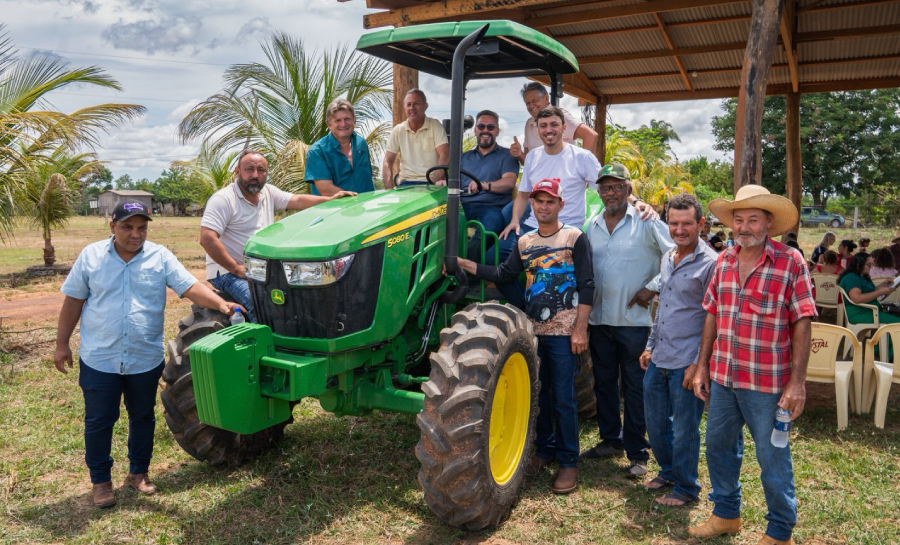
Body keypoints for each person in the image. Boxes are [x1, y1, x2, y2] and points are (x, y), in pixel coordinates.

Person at [54, 201, 240, 508]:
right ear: (112, 226)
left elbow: (190, 285)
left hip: (144, 358)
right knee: (100, 421)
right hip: (100, 358)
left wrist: (222, 305)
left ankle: (138, 474)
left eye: (141, 228)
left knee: (142, 417)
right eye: (127, 227)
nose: (135, 234)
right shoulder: (91, 257)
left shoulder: (160, 256)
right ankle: (101, 482)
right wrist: (62, 344)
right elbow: (73, 301)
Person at [691, 184, 817, 545]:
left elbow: (803, 321)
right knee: (717, 447)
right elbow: (712, 314)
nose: (744, 227)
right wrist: (702, 367)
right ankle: (726, 514)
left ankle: (779, 532)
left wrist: (797, 383)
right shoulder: (725, 260)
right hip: (724, 376)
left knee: (772, 458)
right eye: (738, 220)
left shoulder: (790, 261)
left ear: (768, 223)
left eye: (753, 220)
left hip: (768, 384)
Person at [454, 179, 594, 494]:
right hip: (533, 331)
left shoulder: (575, 237)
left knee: (564, 399)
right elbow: (504, 275)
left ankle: (568, 462)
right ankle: (543, 451)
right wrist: (468, 265)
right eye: (538, 201)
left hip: (563, 334)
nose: (543, 206)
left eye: (550, 201)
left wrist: (580, 329)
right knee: (540, 396)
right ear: (532, 204)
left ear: (561, 204)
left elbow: (587, 285)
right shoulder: (525, 241)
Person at [580, 164, 674, 479]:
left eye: (617, 186)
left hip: (634, 323)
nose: (611, 192)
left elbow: (675, 255)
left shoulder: (646, 221)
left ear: (628, 189)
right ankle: (610, 441)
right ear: (599, 192)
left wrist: (653, 287)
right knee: (604, 384)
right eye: (605, 187)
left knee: (634, 387)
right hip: (599, 320)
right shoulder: (590, 225)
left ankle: (637, 452)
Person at [200, 150, 354, 322]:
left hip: (261, 269)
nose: (255, 175)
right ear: (237, 172)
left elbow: (297, 200)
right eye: (249, 169)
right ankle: (261, 345)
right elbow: (207, 238)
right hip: (228, 272)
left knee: (299, 298)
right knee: (261, 306)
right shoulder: (224, 199)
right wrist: (237, 269)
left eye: (261, 170)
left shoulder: (268, 193)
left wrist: (331, 200)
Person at [639, 193, 717, 506]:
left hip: (688, 361)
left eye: (687, 223)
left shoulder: (711, 264)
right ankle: (668, 471)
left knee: (685, 429)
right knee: (656, 422)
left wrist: (701, 365)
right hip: (660, 356)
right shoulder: (668, 257)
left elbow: (716, 320)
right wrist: (649, 345)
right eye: (673, 223)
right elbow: (663, 306)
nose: (679, 229)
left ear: (701, 224)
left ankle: (686, 488)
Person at [459, 109, 519, 257]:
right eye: (481, 127)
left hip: (490, 207)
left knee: (491, 224)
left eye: (490, 127)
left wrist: (483, 185)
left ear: (497, 131)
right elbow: (453, 183)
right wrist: (442, 183)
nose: (485, 130)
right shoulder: (463, 157)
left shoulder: (507, 156)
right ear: (475, 130)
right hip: (462, 205)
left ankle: (466, 269)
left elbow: (509, 182)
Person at [508, 82, 597, 164]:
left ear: (546, 98)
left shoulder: (560, 116)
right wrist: (519, 154)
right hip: (540, 179)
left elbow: (590, 135)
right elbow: (529, 163)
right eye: (528, 103)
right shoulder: (529, 123)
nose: (531, 106)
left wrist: (582, 167)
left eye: (535, 101)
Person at [304, 98, 375, 196]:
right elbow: (326, 190)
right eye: (338, 120)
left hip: (367, 208)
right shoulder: (316, 152)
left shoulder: (361, 143)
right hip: (334, 210)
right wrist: (356, 203)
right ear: (329, 124)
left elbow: (367, 179)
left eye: (347, 119)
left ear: (354, 119)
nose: (343, 124)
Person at [381, 89, 449, 187]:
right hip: (406, 184)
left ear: (425, 106)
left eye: (416, 104)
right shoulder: (398, 130)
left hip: (430, 182)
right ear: (404, 108)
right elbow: (387, 161)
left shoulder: (435, 125)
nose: (412, 108)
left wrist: (434, 184)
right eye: (408, 105)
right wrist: (389, 190)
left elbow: (444, 156)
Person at [838, 253, 900, 326]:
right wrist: (880, 292)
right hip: (860, 312)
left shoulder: (862, 275)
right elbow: (857, 298)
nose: (871, 267)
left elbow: (870, 292)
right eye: (869, 264)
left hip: (869, 310)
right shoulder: (851, 277)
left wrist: (883, 284)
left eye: (872, 264)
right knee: (896, 324)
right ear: (858, 264)